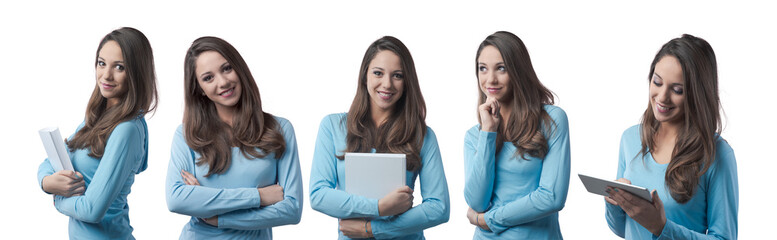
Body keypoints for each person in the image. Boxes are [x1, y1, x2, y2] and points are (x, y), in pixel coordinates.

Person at [309, 36, 450, 239]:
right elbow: (319, 195)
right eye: (378, 73)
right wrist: (379, 207)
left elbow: (439, 208)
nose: (387, 84)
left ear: (406, 81)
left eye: (398, 75)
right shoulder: (333, 126)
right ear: (365, 76)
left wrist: (372, 229)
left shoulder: (422, 135)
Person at [165, 36, 303, 239]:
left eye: (227, 68)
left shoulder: (279, 129)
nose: (223, 82)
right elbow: (176, 199)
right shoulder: (187, 135)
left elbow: (292, 209)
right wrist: (258, 197)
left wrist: (216, 215)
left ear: (240, 68)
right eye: (208, 78)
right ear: (199, 89)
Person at [605, 34, 738, 239]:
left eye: (677, 90)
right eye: (657, 82)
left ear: (697, 94)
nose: (662, 97)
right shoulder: (630, 138)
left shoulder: (717, 154)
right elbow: (624, 230)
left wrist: (662, 228)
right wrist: (614, 204)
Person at [36, 27, 158, 239]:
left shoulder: (126, 130)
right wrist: (46, 182)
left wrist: (56, 197)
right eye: (102, 63)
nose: (106, 75)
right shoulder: (96, 117)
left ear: (137, 72)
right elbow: (52, 159)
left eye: (119, 67)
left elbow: (91, 210)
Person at [463, 31, 571, 239]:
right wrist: (488, 133)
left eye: (501, 68)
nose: (490, 79)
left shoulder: (552, 119)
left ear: (518, 70)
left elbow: (551, 197)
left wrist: (489, 220)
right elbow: (477, 202)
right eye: (483, 69)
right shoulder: (474, 136)